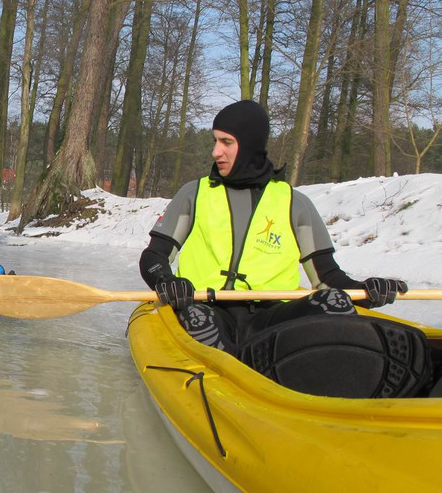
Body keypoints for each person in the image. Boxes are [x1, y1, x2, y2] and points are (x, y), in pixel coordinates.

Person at [139, 99, 408, 357]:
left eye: (226, 142)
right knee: (198, 319)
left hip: (273, 315)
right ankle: (231, 361)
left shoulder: (295, 203)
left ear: (248, 145)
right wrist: (167, 282)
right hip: (207, 307)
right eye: (215, 141)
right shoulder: (193, 194)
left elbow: (327, 277)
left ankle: (288, 359)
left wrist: (366, 291)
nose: (215, 151)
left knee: (332, 301)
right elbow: (154, 256)